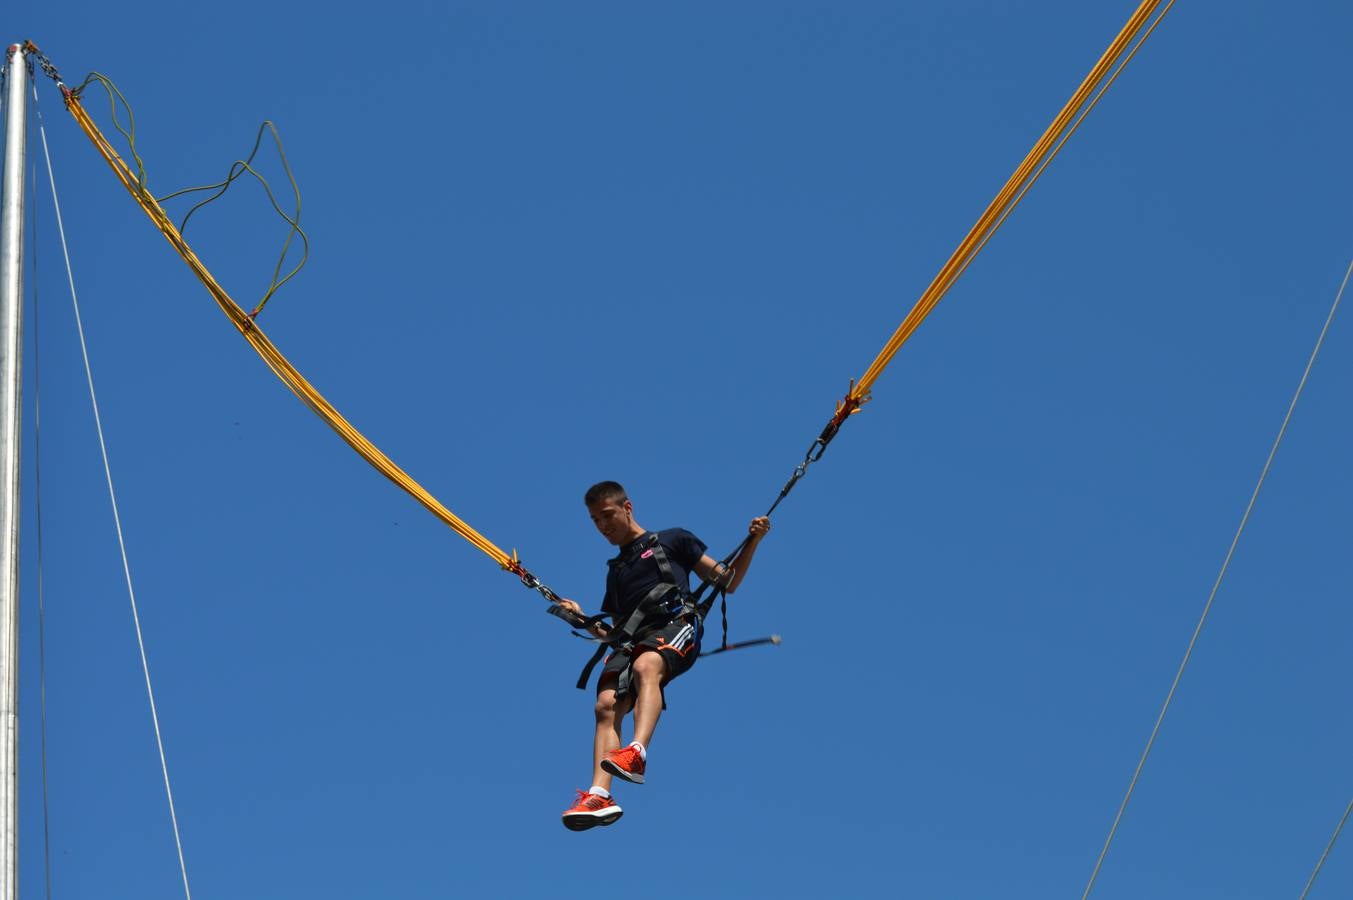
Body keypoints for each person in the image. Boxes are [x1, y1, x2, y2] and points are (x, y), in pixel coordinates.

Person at [557, 480, 771, 831]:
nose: (603, 526)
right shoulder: (616, 571)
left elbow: (727, 581)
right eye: (595, 521)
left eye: (607, 515)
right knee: (606, 704)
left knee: (646, 664)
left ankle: (637, 752)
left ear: (627, 508)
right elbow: (614, 634)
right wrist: (579, 617)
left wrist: (754, 541)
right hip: (634, 640)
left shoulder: (672, 540)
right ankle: (599, 794)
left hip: (676, 625)